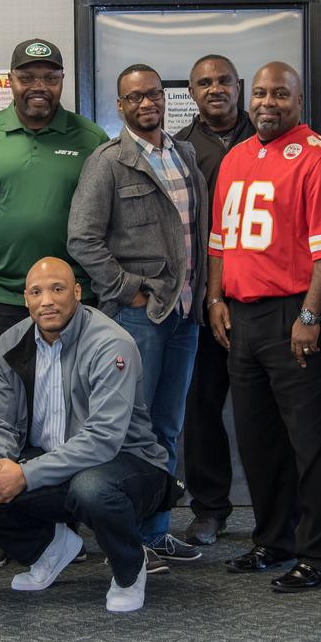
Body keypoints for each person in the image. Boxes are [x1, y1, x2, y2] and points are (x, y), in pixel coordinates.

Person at [0, 37, 107, 568]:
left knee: (68, 413)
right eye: (27, 75)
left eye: (49, 76)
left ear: (62, 81)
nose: (38, 86)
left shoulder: (90, 138)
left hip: (70, 303)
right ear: (11, 81)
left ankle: (66, 524)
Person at [0, 258, 173, 613]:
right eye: (37, 292)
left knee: (92, 488)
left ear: (77, 292)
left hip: (126, 463)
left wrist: (24, 475)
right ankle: (51, 549)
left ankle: (130, 570)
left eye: (57, 289)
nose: (47, 301)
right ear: (25, 299)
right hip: (52, 460)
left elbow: (102, 439)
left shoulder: (110, 343)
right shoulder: (11, 342)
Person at [206, 62, 321, 591]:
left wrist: (310, 315)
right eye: (261, 93)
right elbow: (219, 239)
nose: (269, 102)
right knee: (257, 437)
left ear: (299, 98)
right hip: (242, 316)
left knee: (311, 440)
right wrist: (215, 296)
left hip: (297, 313)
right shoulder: (237, 157)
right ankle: (272, 539)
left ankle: (319, 553)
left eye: (281, 94)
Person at [68, 64, 208, 570]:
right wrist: (126, 291)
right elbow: (81, 238)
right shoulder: (107, 162)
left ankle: (155, 532)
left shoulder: (184, 153)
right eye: (134, 97)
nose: (146, 103)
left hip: (186, 314)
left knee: (168, 428)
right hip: (139, 318)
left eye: (154, 94)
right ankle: (122, 540)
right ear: (120, 105)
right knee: (128, 429)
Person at [174, 54, 254, 546]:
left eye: (224, 80)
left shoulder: (270, 137)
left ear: (239, 86)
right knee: (201, 410)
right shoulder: (180, 149)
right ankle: (209, 507)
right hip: (202, 299)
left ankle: (274, 508)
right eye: (204, 83)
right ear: (193, 92)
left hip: (264, 299)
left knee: (262, 411)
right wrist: (206, 296)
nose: (215, 89)